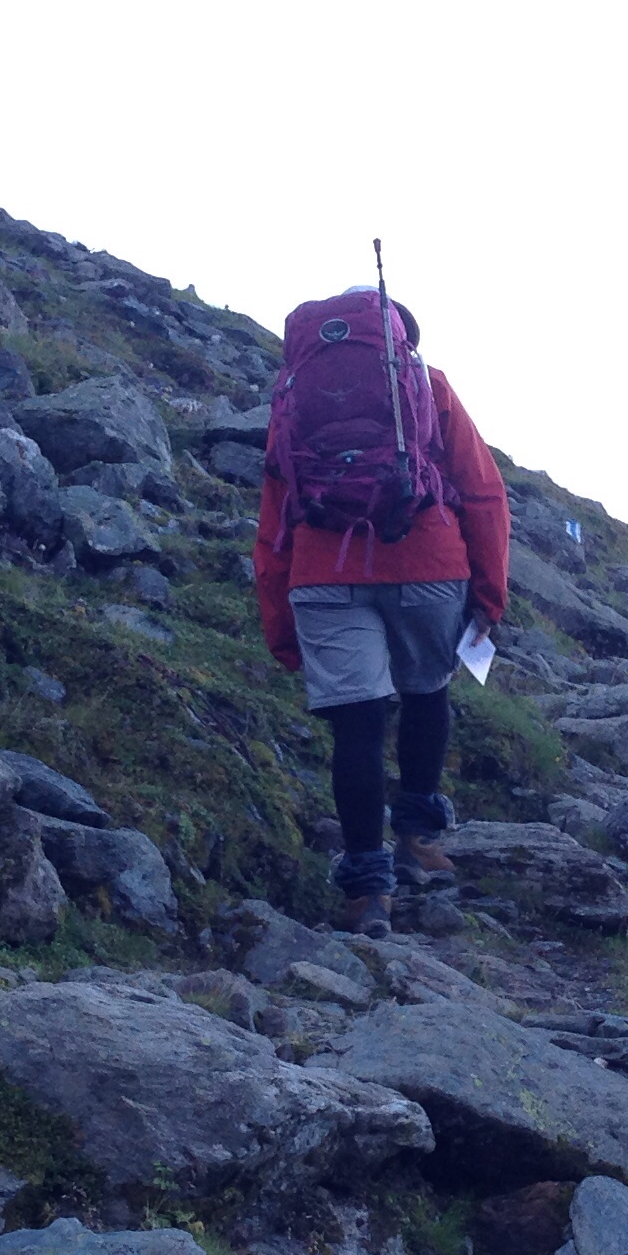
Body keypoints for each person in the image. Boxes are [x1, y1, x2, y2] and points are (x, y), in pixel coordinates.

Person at [252, 285, 509, 937]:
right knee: (427, 691)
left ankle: (368, 894)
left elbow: (275, 515)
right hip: (427, 565)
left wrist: (280, 623)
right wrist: (489, 595)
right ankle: (418, 842)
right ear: (399, 337)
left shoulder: (292, 395)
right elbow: (483, 492)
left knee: (357, 726)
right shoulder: (428, 384)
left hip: (324, 572)